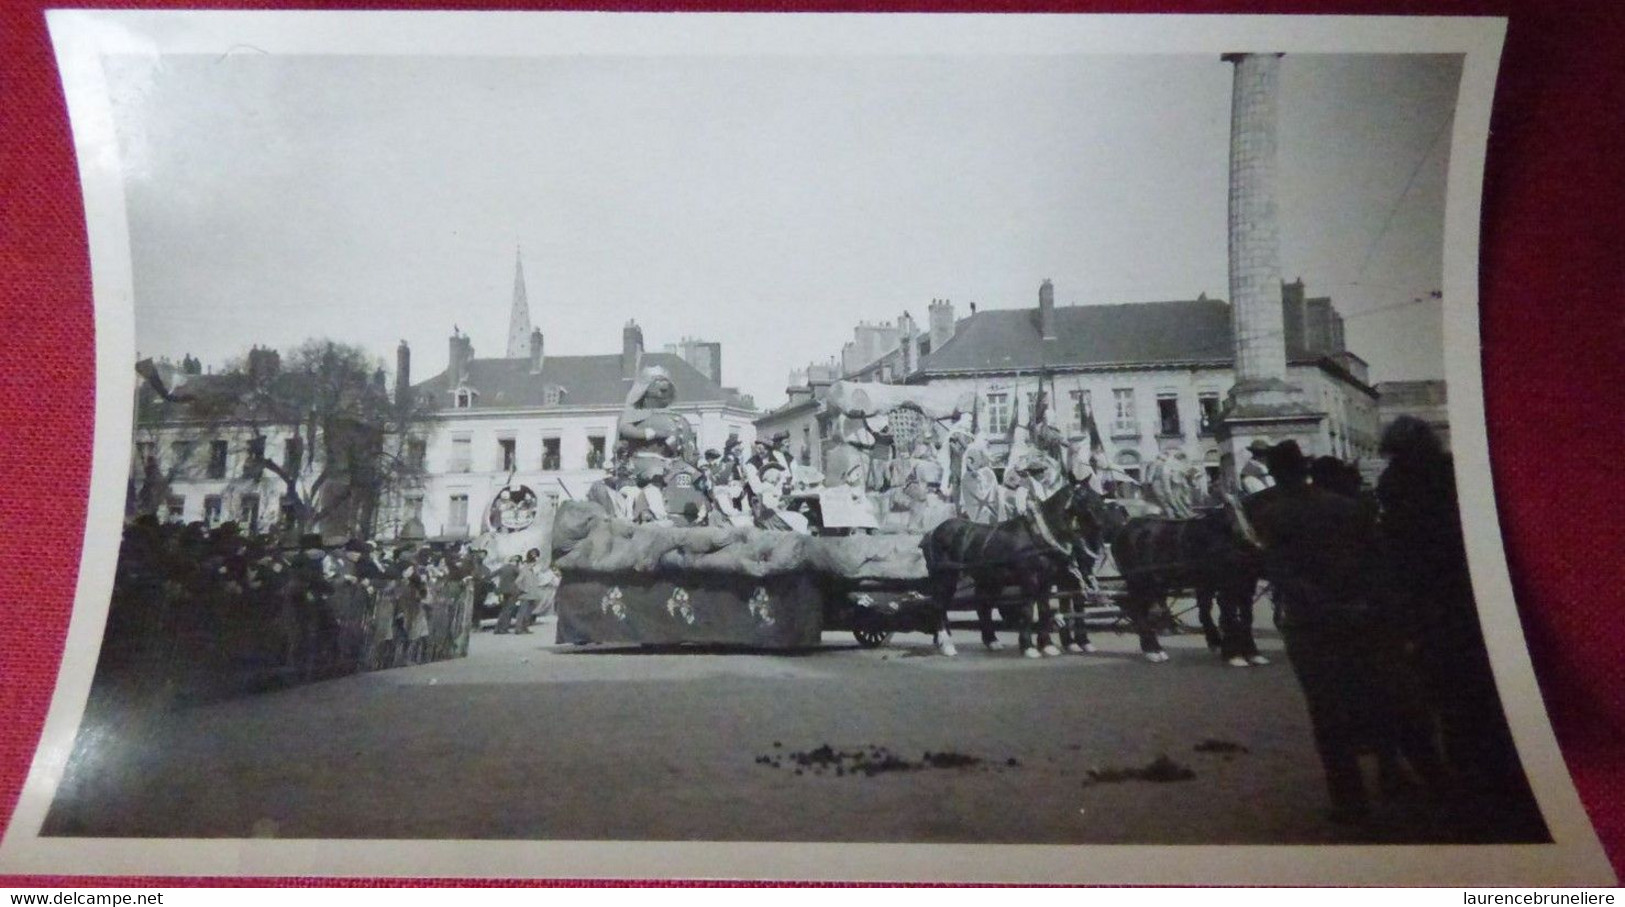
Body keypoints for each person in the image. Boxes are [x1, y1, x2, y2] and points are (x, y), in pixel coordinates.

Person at [1247, 440, 1443, 824]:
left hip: (1312, 627)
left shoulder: (1271, 515)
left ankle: (1350, 800)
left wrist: (1324, 606)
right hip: (1364, 619)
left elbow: (1283, 575)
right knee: (1383, 696)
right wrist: (1366, 607)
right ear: (1304, 469)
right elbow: (1377, 564)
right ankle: (1416, 778)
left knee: (1327, 713)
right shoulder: (1348, 508)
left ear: (1275, 473)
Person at [1376, 417, 1525, 804]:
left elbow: (1398, 551)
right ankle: (1502, 774)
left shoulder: (1394, 484)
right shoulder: (1453, 473)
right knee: (1487, 691)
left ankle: (1470, 781)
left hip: (1431, 606)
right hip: (1473, 595)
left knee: (1450, 697)